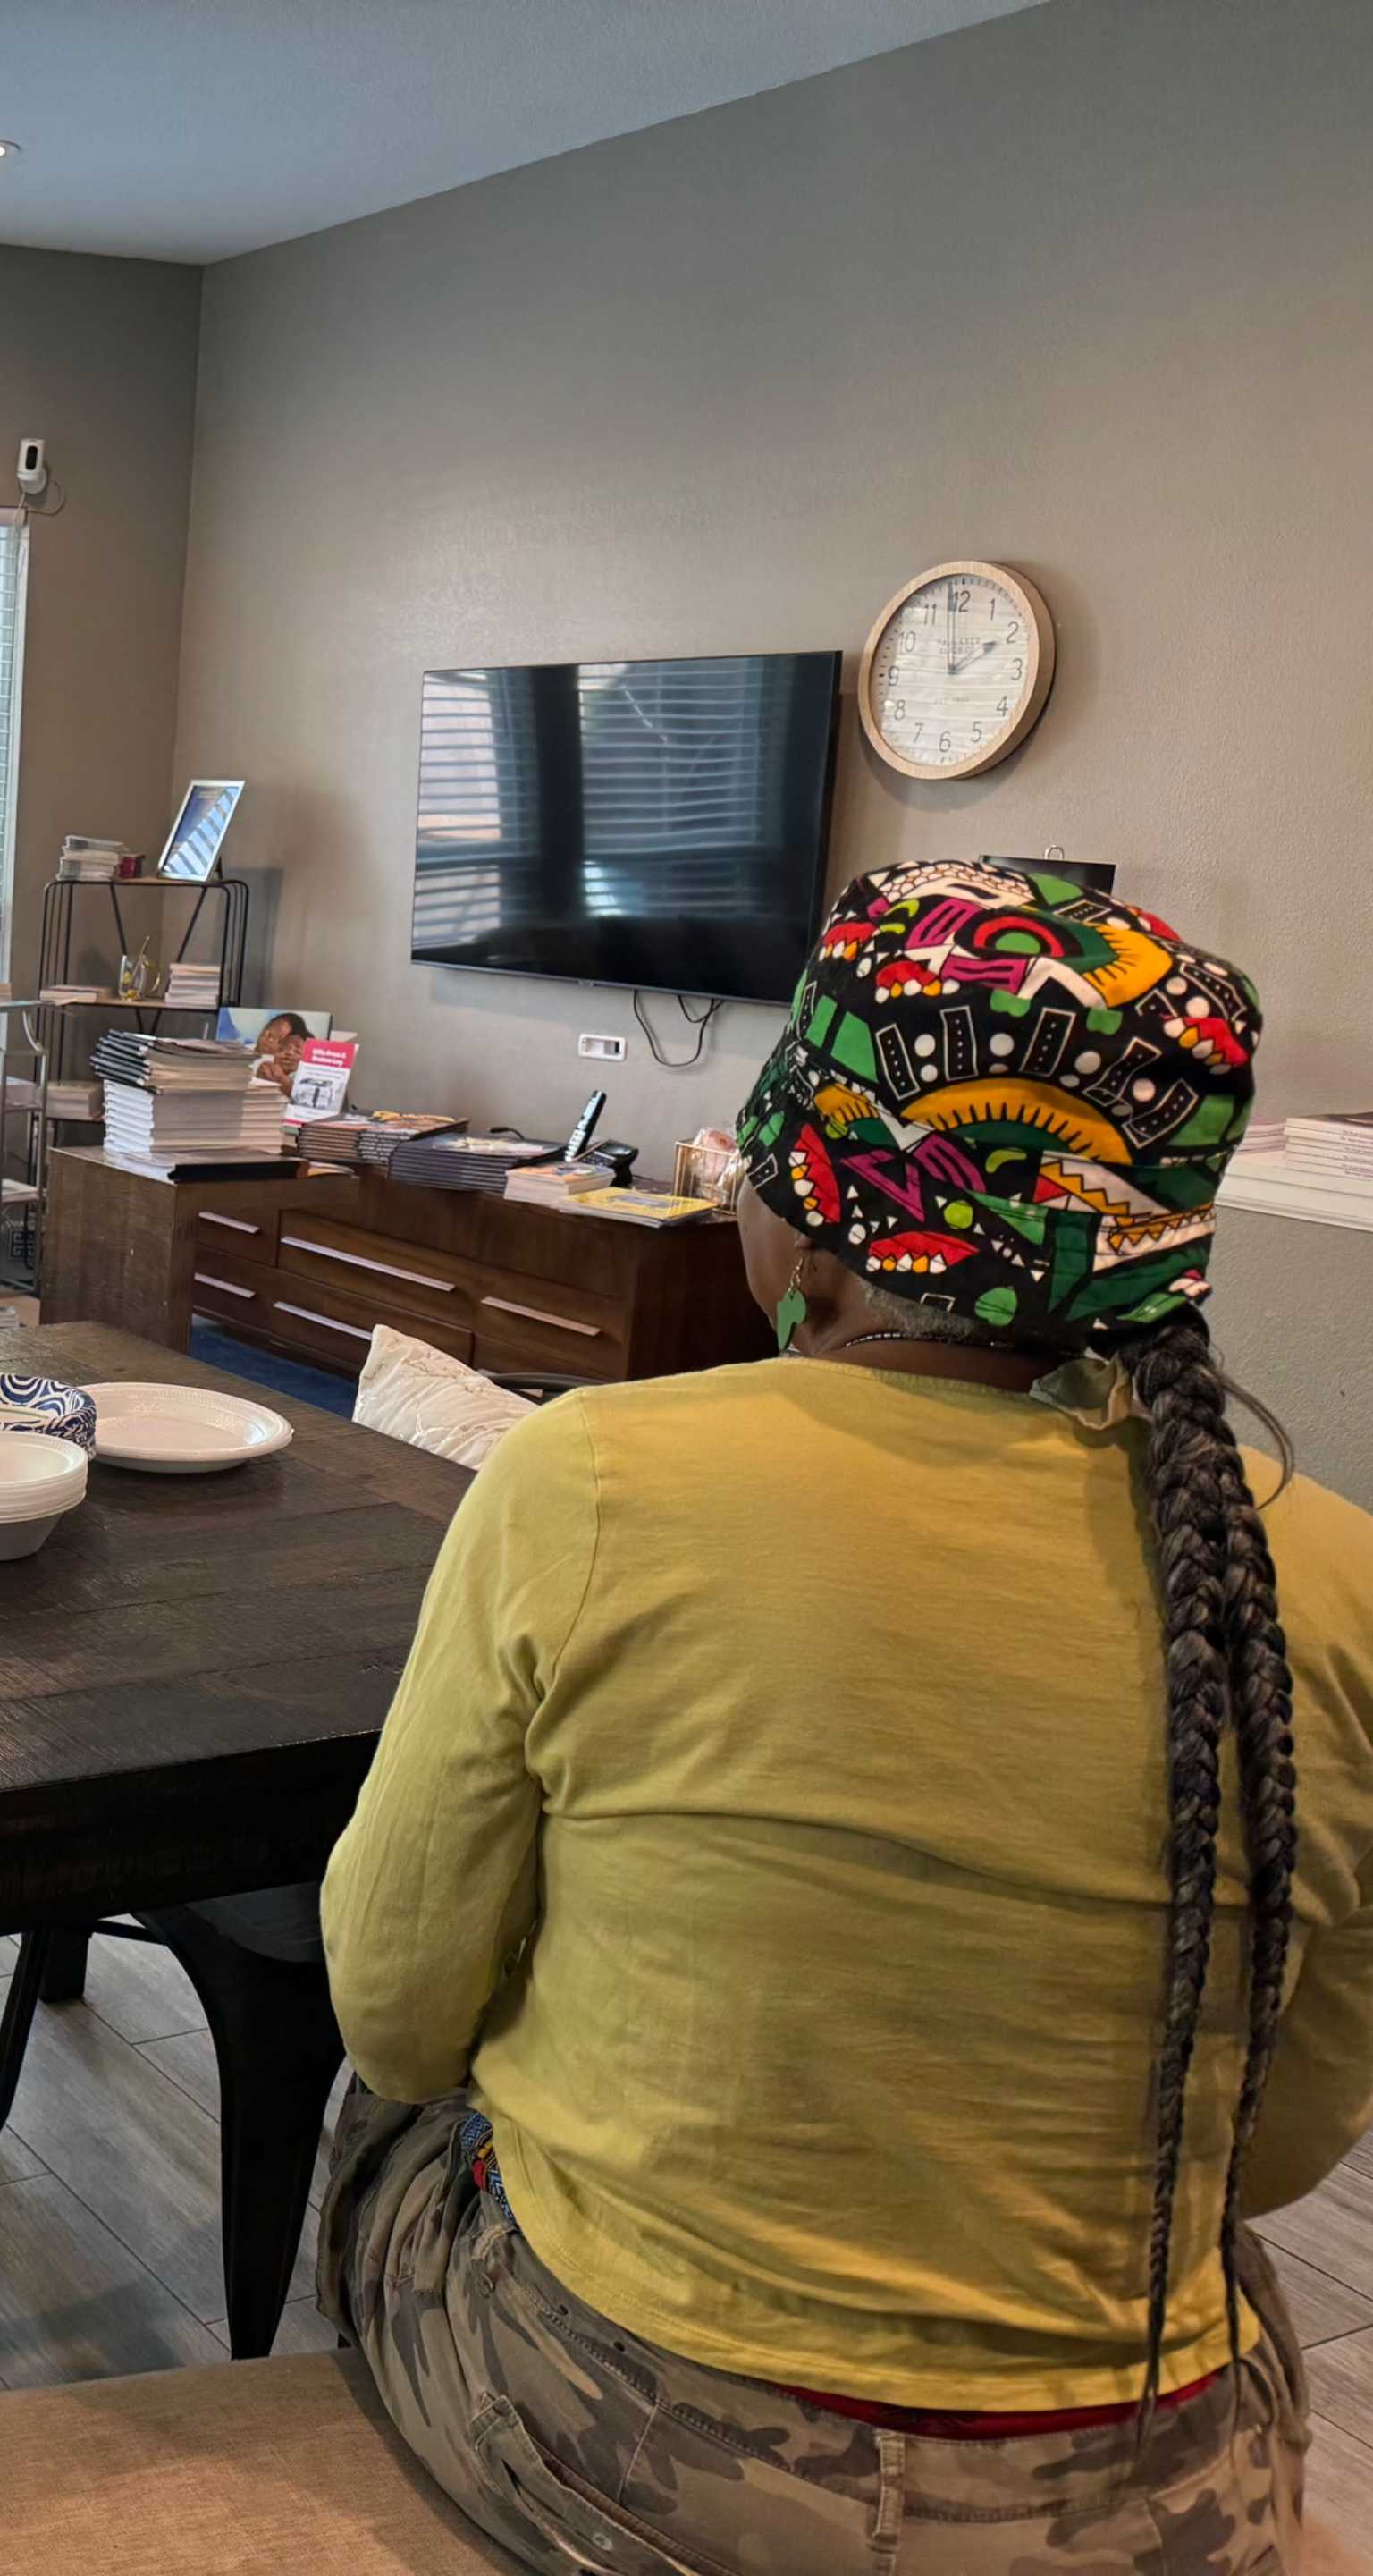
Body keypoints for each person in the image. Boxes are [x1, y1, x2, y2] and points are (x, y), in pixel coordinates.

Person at [316, 862, 1373, 2572]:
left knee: (384, 2114)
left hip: (640, 2453)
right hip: (1162, 2505)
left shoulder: (584, 1476)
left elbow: (398, 2006)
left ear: (806, 1216)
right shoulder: (1330, 1580)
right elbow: (1282, 2144)